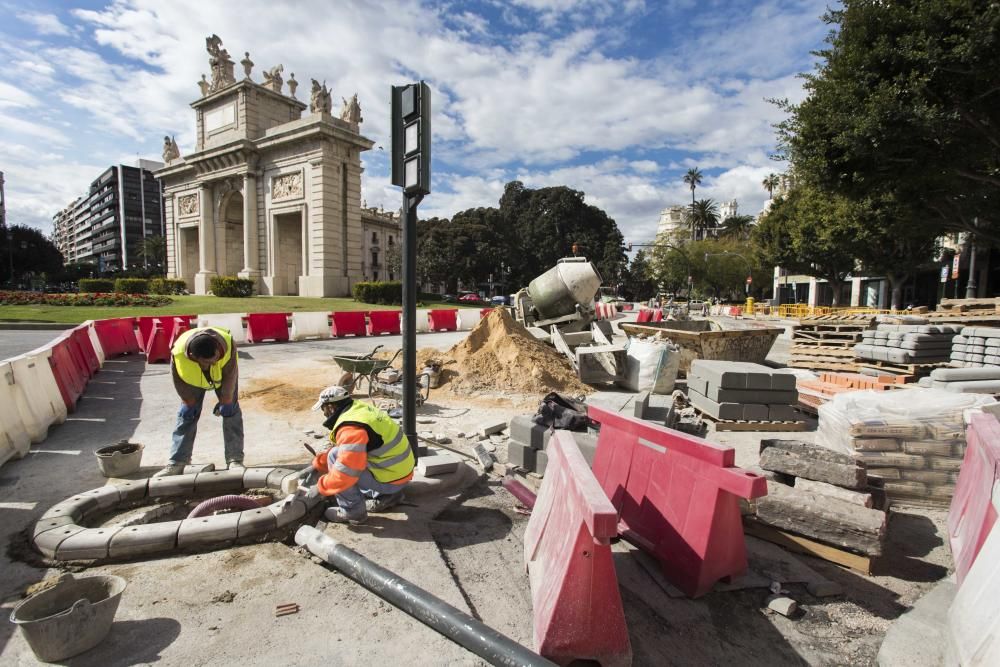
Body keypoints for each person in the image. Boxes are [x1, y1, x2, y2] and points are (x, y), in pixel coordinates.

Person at [303, 385, 415, 524]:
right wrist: (317, 465)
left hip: (391, 479)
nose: (324, 414)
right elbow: (346, 450)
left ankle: (353, 512)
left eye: (323, 409)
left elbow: (345, 473)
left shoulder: (351, 428)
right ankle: (388, 495)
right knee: (336, 455)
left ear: (331, 407)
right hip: (399, 473)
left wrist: (320, 488)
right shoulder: (358, 410)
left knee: (340, 466)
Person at [155, 327, 244, 476]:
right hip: (193, 380)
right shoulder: (179, 352)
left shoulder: (227, 345)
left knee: (231, 413)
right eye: (207, 362)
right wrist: (187, 400)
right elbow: (177, 377)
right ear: (192, 356)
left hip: (223, 377)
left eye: (215, 359)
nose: (213, 363)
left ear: (217, 349)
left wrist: (226, 399)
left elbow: (230, 373)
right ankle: (177, 462)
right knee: (186, 416)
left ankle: (235, 460)